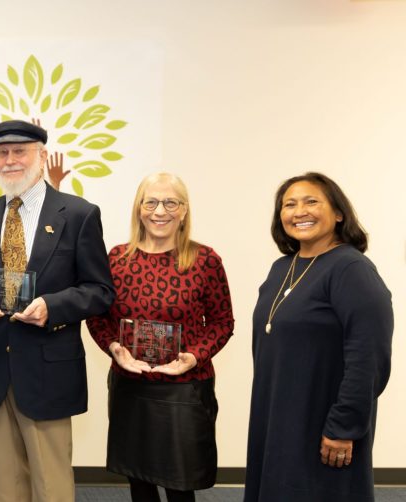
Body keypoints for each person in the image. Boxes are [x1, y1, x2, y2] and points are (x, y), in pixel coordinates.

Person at [0, 120, 114, 502]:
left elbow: (100, 291)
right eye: (3, 152)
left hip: (48, 368)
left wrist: (52, 306)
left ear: (42, 156)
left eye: (20, 151)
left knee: (51, 485)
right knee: (3, 485)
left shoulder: (79, 214)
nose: (10, 160)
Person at [244, 172, 393, 502]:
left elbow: (369, 357)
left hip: (322, 423)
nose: (299, 211)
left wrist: (344, 426)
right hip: (278, 417)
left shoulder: (351, 269)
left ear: (338, 212)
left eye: (311, 201)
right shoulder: (282, 268)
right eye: (289, 204)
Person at [86, 172, 235, 502]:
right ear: (139, 208)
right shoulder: (117, 259)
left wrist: (193, 357)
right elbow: (98, 317)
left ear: (184, 210)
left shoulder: (205, 260)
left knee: (180, 487)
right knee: (139, 482)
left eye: (170, 202)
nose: (159, 211)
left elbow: (222, 323)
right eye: (150, 201)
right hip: (131, 386)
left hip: (184, 389)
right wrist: (114, 348)